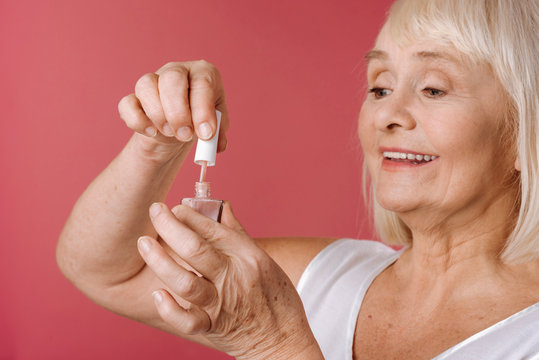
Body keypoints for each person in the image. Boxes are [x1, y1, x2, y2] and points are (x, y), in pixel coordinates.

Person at [56, 0, 539, 358]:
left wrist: (273, 343)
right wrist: (160, 141)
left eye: (433, 88)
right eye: (379, 86)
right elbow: (110, 269)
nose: (387, 113)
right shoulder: (327, 278)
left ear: (525, 131)